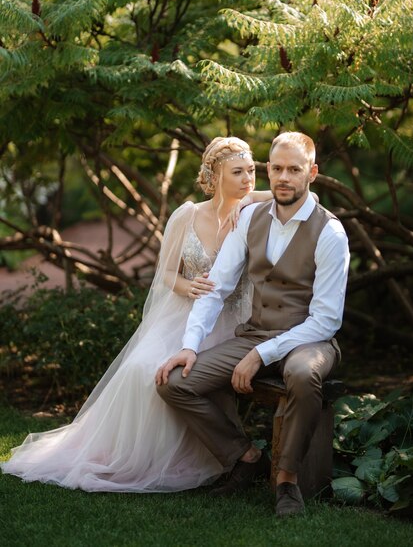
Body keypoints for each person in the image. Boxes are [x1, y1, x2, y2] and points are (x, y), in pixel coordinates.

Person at [1, 136, 272, 492]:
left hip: (231, 320)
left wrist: (249, 198)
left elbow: (295, 193)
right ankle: (131, 455)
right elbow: (167, 273)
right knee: (141, 368)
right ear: (217, 174)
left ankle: (221, 457)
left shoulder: (254, 211)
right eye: (238, 172)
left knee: (187, 376)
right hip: (183, 312)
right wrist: (186, 287)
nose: (248, 178)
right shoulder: (188, 214)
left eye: (252, 171)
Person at [156, 131, 350, 516]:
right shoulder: (251, 218)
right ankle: (245, 456)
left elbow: (326, 320)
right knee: (175, 384)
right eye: (276, 168)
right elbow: (216, 288)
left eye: (294, 169)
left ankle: (287, 480)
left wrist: (261, 355)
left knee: (301, 374)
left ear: (311, 172)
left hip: (309, 340)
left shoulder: (330, 232)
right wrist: (190, 345)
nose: (283, 177)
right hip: (258, 331)